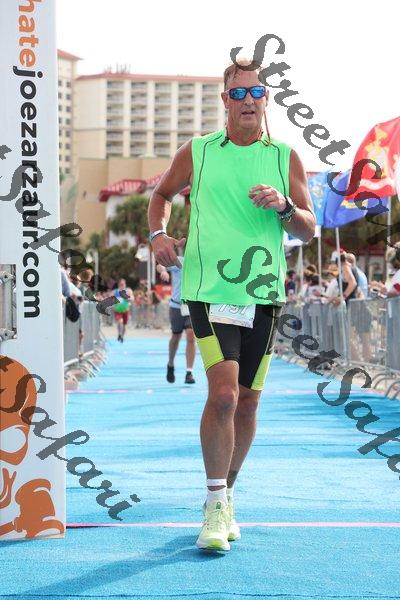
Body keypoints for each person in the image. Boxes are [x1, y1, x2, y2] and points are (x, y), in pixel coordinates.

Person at [148, 59, 315, 552]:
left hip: (263, 293)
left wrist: (284, 206)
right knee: (223, 395)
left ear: (267, 99)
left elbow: (308, 228)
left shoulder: (285, 157)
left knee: (248, 400)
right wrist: (158, 235)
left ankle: (228, 494)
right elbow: (161, 195)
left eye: (255, 92)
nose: (247, 101)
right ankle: (215, 502)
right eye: (238, 93)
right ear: (225, 100)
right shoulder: (198, 151)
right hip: (209, 288)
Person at [157, 256, 196, 384]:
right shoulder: (179, 261)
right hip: (176, 306)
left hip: (191, 306)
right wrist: (163, 271)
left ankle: (189, 372)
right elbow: (160, 265)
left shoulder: (201, 261)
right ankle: (170, 364)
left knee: (191, 336)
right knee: (176, 337)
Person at [112, 278, 132, 342]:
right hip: (117, 310)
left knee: (124, 325)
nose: (122, 285)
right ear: (119, 285)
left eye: (123, 284)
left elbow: (132, 298)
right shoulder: (115, 292)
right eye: (121, 284)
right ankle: (119, 334)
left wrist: (128, 298)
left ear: (125, 284)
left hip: (125, 310)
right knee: (120, 322)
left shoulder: (128, 291)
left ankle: (122, 336)